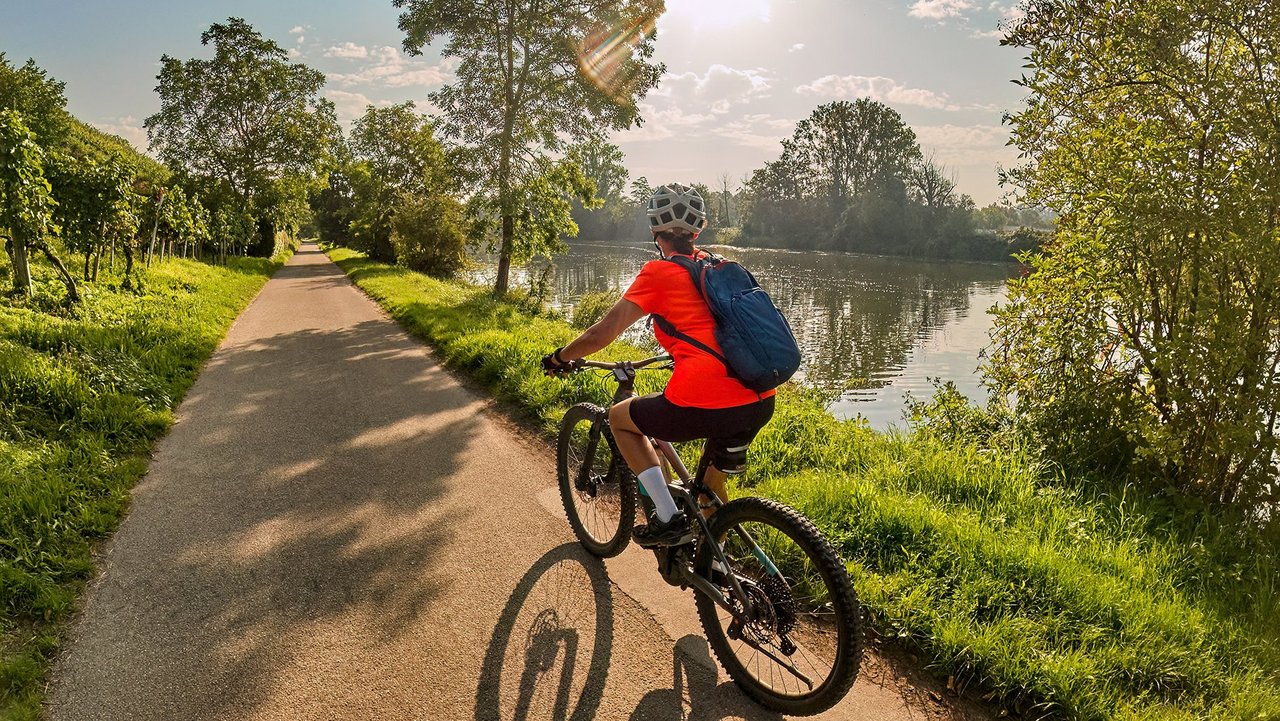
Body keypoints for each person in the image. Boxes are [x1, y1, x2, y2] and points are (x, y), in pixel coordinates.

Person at [542, 183, 776, 547]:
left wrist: (561, 357)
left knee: (621, 419)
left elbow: (602, 332)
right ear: (698, 231)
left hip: (705, 400)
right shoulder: (716, 268)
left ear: (655, 230)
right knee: (710, 493)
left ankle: (668, 519)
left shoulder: (658, 272)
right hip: (759, 398)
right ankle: (716, 564)